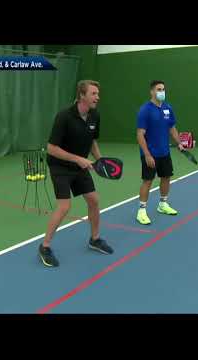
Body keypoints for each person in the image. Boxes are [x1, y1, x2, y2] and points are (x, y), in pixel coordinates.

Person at [39, 80, 114, 267]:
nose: (98, 97)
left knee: (94, 200)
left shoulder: (94, 116)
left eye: (98, 93)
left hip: (79, 165)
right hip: (60, 166)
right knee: (64, 207)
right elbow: (51, 148)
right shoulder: (64, 116)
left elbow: (92, 142)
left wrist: (100, 160)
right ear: (82, 95)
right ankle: (45, 246)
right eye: (93, 94)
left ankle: (95, 239)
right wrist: (78, 159)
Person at [136, 80, 185, 225]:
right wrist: (147, 154)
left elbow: (172, 128)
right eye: (159, 89)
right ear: (152, 92)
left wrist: (179, 143)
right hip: (150, 153)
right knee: (148, 180)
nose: (162, 92)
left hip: (164, 152)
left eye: (163, 89)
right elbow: (140, 134)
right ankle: (141, 211)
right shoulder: (145, 110)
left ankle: (162, 204)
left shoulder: (167, 108)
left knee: (166, 177)